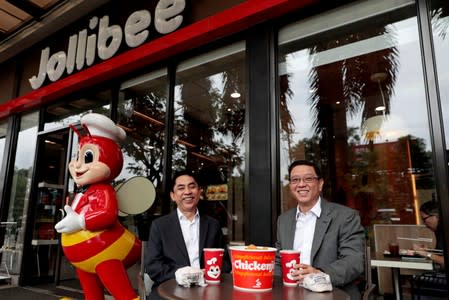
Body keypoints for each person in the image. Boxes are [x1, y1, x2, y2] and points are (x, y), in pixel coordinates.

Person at [276, 160, 365, 299]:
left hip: (333, 294)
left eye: (308, 178)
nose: (301, 184)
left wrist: (319, 274)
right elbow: (278, 260)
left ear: (320, 184)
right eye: (295, 180)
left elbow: (354, 261)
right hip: (291, 295)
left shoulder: (345, 217)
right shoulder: (284, 220)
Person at [145, 170, 231, 291]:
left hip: (207, 287)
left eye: (192, 186)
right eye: (181, 188)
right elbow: (153, 266)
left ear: (199, 191)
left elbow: (226, 263)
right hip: (171, 287)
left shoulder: (213, 225)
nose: (187, 192)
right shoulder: (160, 226)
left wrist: (207, 273)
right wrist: (183, 274)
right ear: (173, 195)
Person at [414, 200, 445, 268]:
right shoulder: (438, 230)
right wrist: (429, 250)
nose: (424, 223)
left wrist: (427, 254)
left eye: (424, 219)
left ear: (436, 216)